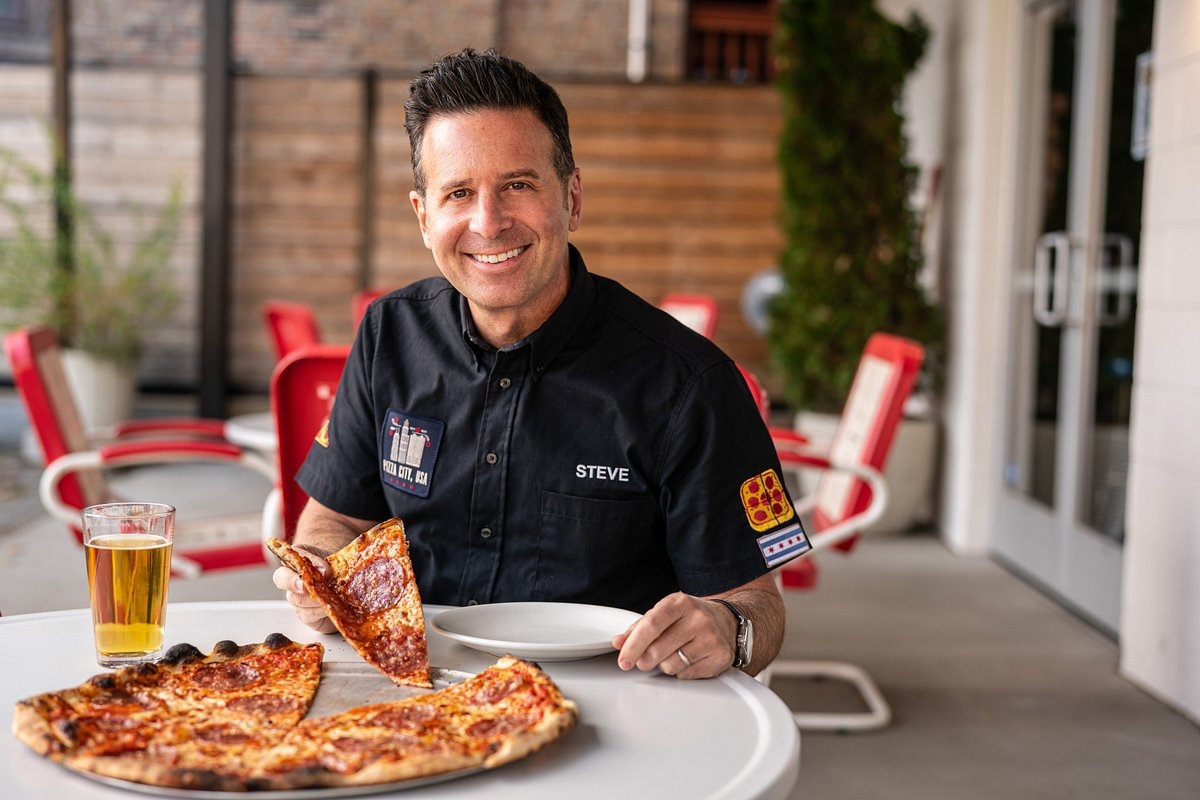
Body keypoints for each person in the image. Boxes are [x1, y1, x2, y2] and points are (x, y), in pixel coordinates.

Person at [272, 48, 809, 680]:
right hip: (415, 695)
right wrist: (324, 572)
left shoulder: (690, 385)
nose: (489, 222)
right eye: (459, 193)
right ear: (424, 216)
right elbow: (334, 517)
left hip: (616, 703)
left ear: (572, 199)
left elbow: (760, 607)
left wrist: (729, 627)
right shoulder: (388, 335)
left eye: (518, 186)